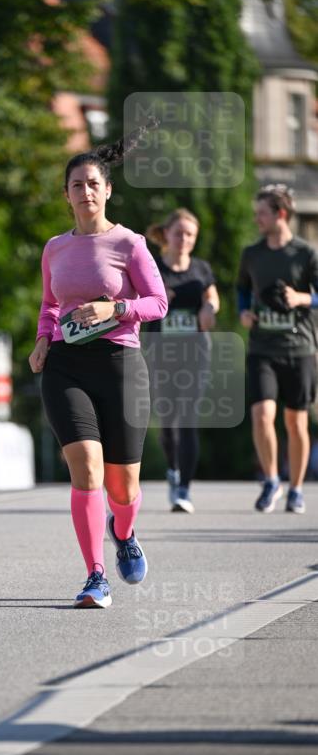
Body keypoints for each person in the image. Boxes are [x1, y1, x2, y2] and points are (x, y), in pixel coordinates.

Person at [29, 132, 168, 608]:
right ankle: (95, 575)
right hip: (67, 366)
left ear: (106, 190)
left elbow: (158, 303)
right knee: (85, 468)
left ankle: (123, 532)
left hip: (119, 363)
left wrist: (115, 310)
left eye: (92, 183)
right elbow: (51, 304)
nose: (85, 192)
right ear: (65, 193)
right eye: (76, 185)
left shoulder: (129, 243)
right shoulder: (55, 248)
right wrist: (43, 341)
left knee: (122, 485)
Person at [238, 184, 318, 513]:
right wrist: (244, 311)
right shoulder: (252, 254)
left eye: (262, 214)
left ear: (280, 214)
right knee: (262, 415)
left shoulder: (306, 253)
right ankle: (271, 481)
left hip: (299, 347)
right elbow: (242, 288)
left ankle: (296, 488)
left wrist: (302, 298)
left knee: (296, 422)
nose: (257, 219)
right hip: (262, 348)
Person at [146, 209, 220, 513]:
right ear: (167, 234)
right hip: (162, 352)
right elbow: (139, 302)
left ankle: (184, 490)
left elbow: (213, 296)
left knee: (188, 417)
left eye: (190, 234)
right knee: (168, 421)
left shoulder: (201, 269)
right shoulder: (153, 268)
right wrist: (158, 298)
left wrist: (209, 308)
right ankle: (173, 470)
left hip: (195, 353)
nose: (184, 239)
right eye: (179, 233)